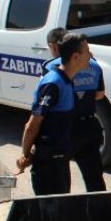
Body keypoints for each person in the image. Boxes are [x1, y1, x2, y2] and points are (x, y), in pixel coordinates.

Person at [17, 33, 91, 195]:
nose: (91, 55)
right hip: (48, 163)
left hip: (60, 159)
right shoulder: (53, 84)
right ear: (75, 57)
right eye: (87, 51)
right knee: (51, 211)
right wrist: (25, 154)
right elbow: (32, 125)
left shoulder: (66, 80)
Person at [43, 28, 107, 191]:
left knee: (61, 182)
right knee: (95, 180)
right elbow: (100, 94)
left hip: (64, 130)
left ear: (55, 47)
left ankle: (67, 215)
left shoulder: (51, 68)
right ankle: (102, 214)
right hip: (89, 127)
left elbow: (45, 104)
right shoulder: (94, 65)